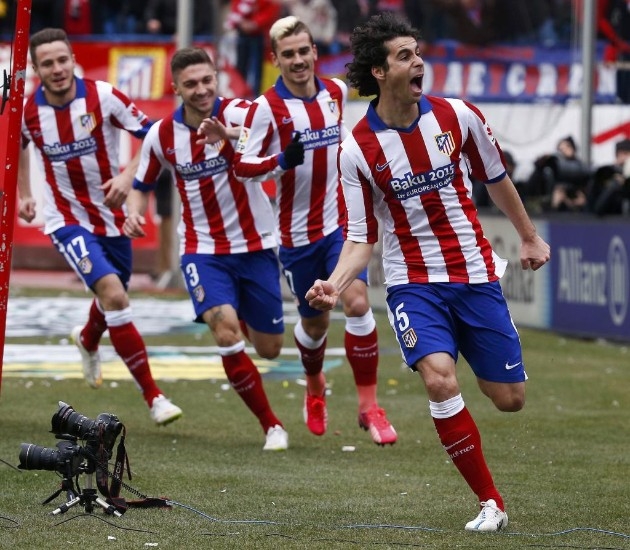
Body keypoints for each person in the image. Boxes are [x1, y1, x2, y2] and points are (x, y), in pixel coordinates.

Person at [305, 12, 550, 531]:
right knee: (439, 380)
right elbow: (360, 238)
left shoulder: (458, 116)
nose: (419, 62)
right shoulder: (356, 149)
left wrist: (528, 235)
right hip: (412, 284)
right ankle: (490, 503)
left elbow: (496, 178)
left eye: (417, 53)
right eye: (405, 56)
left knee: (509, 399)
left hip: (475, 274)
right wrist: (335, 283)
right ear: (378, 72)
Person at [231, 16, 397, 446]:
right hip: (296, 236)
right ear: (276, 59)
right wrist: (280, 162)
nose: (298, 60)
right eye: (288, 54)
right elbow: (242, 166)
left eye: (304, 51)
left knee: (357, 302)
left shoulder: (336, 92)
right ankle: (314, 383)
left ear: (314, 52)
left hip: (340, 224)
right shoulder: (266, 108)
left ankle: (369, 406)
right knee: (316, 323)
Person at [123, 47, 288, 451]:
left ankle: (241, 311)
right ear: (176, 88)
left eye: (206, 80)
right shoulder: (162, 135)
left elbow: (275, 135)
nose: (200, 89)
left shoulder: (241, 113)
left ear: (217, 79)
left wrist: (229, 136)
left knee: (269, 349)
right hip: (203, 250)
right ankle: (271, 425)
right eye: (190, 83)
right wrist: (134, 214)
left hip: (255, 244)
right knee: (225, 330)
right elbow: (141, 185)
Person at [17, 27, 182, 426]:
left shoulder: (103, 96)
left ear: (73, 60)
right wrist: (25, 193)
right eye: (47, 63)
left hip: (112, 217)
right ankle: (155, 397)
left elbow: (154, 135)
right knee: (115, 295)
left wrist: (127, 176)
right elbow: (17, 146)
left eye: (62, 60)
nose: (57, 69)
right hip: (67, 220)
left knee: (113, 294)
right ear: (37, 69)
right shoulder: (28, 111)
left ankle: (87, 338)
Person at [224, 0, 283, 98]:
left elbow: (271, 9)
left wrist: (255, 23)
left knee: (258, 68)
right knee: (241, 65)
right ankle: (240, 92)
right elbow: (236, 7)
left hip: (259, 34)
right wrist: (241, 22)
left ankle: (256, 94)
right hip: (243, 33)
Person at [587, 138, 630, 216]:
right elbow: (598, 206)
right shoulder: (606, 173)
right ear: (618, 154)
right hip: (607, 218)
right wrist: (615, 184)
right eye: (626, 154)